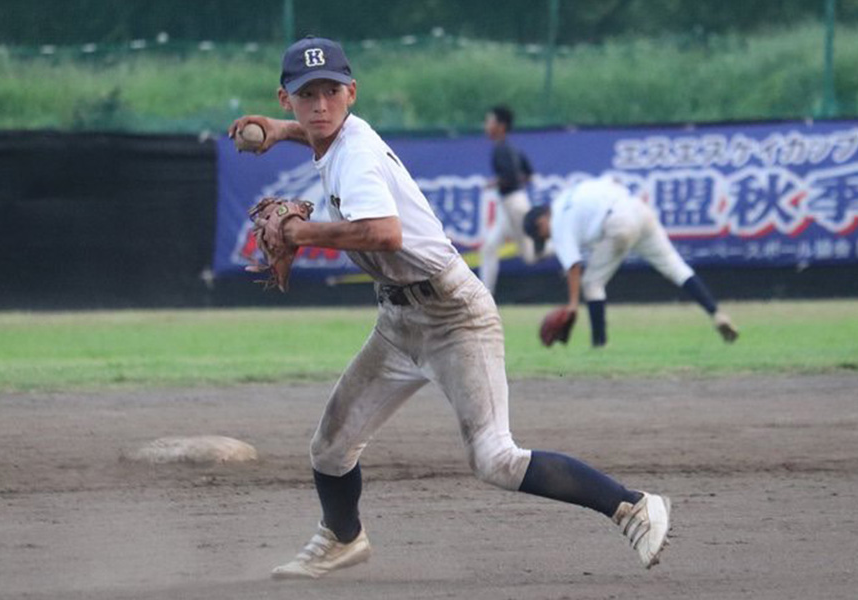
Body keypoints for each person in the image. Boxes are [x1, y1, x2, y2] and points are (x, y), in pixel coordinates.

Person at [229, 36, 672, 581]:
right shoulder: (337, 134)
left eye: (331, 91)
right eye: (306, 95)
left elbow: (385, 235)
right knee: (330, 446)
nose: (320, 104)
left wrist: (300, 232)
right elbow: (319, 133)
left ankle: (631, 505)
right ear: (284, 99)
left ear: (352, 93)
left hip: (453, 317)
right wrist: (282, 134)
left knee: (495, 459)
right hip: (399, 322)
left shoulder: (358, 155)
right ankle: (341, 538)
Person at [523, 176, 739, 347]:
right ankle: (717, 314)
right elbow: (614, 181)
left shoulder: (558, 223)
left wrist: (572, 305)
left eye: (542, 234)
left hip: (618, 223)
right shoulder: (568, 195)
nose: (546, 237)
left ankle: (600, 345)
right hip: (637, 209)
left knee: (591, 284)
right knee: (675, 266)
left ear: (542, 220)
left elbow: (573, 266)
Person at [479, 105, 539, 295]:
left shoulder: (502, 149)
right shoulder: (510, 148)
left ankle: (565, 245)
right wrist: (502, 181)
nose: (486, 126)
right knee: (489, 247)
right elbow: (528, 174)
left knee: (531, 255)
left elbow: (512, 176)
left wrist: (495, 182)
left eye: (490, 122)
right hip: (507, 205)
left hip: (515, 205)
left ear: (501, 126)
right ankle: (484, 296)